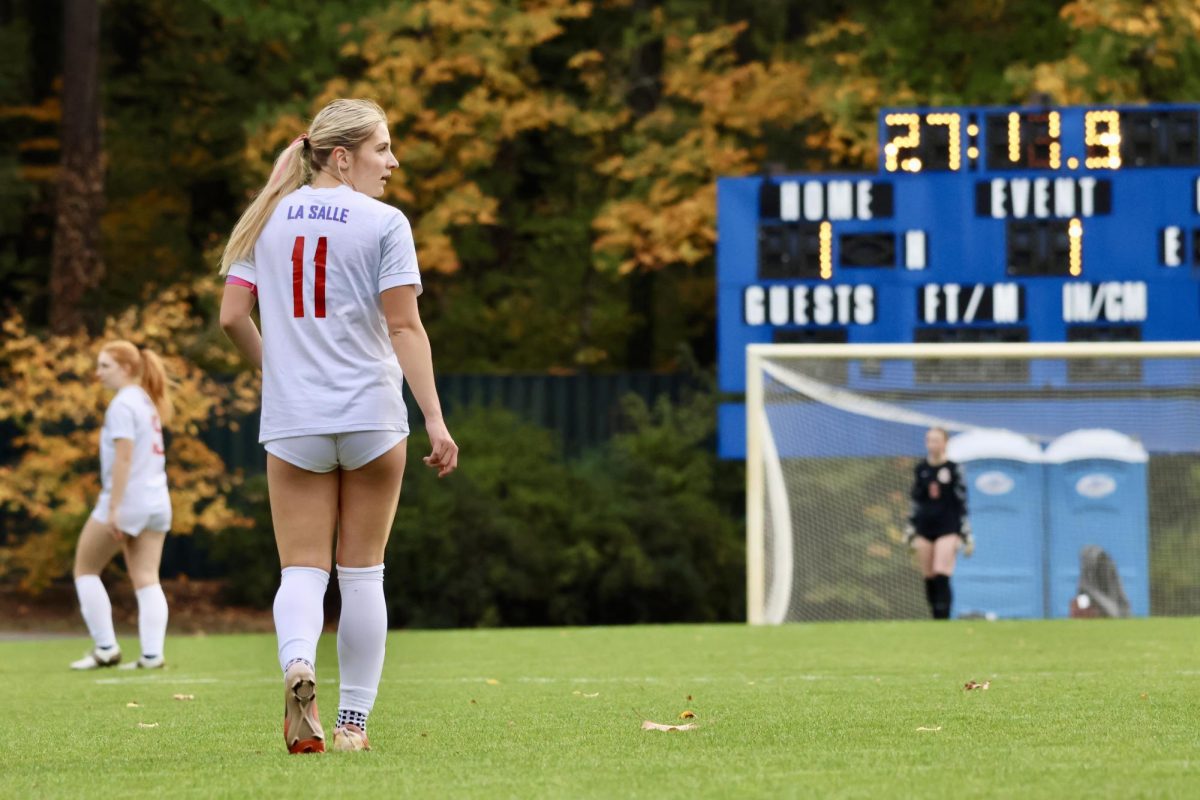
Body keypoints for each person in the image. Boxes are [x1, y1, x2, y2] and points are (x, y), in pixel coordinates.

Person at [219, 98, 458, 755]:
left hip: (295, 418)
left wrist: (279, 373)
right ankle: (352, 726)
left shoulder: (265, 220)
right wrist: (435, 418)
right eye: (383, 147)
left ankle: (299, 663)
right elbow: (405, 327)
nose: (393, 161)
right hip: (371, 419)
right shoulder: (385, 222)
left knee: (300, 571)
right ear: (342, 155)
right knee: (361, 576)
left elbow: (232, 316)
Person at [71, 341, 173, 671]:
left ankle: (105, 648)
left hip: (129, 500)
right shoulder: (146, 400)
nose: (98, 373)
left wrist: (114, 508)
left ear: (126, 368)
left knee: (85, 569)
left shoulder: (122, 404)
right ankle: (152, 656)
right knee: (147, 578)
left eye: (105, 366)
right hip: (158, 499)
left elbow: (124, 457)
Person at [904, 426, 972, 620]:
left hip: (948, 528)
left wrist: (966, 532)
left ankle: (944, 618)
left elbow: (962, 502)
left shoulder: (954, 469)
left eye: (936, 440)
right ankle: (935, 617)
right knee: (929, 575)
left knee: (941, 571)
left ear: (945, 443)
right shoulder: (921, 469)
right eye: (929, 440)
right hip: (924, 528)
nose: (932, 444)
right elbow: (916, 501)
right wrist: (910, 529)